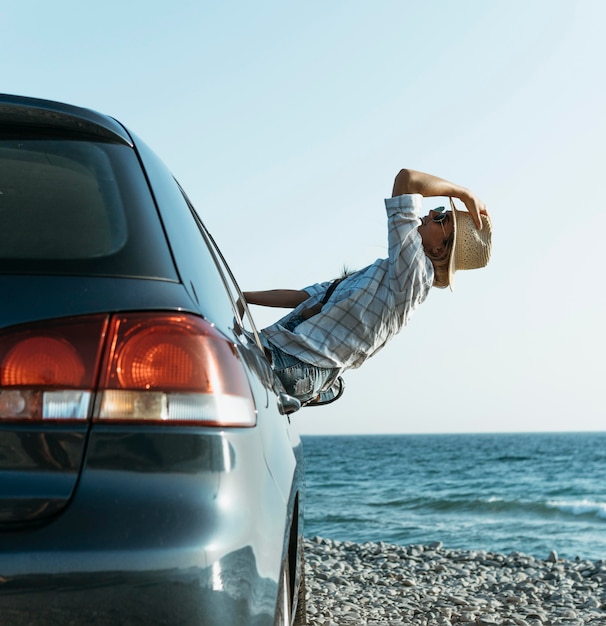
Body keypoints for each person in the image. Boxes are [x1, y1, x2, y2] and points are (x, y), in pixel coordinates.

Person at [243, 168, 492, 407]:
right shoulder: (386, 274)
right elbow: (303, 296)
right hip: (293, 358)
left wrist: (463, 193)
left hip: (292, 358)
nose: (429, 212)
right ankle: (318, 388)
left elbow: (407, 179)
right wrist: (242, 297)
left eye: (441, 217)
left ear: (439, 249)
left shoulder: (414, 273)